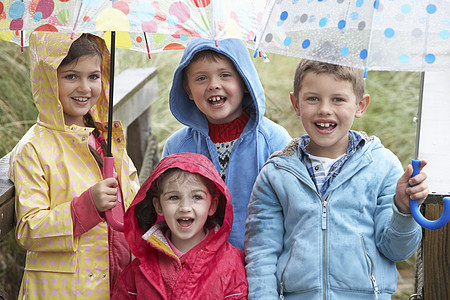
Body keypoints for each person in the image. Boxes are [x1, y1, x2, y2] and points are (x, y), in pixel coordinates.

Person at [244, 59, 429, 299]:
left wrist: (403, 210)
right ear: (295, 103)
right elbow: (261, 253)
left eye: (338, 99)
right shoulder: (277, 173)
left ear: (360, 105)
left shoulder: (382, 166)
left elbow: (397, 250)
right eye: (313, 98)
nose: (324, 109)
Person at [8, 31, 140, 298]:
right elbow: (29, 229)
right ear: (47, 79)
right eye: (71, 76)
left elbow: (133, 198)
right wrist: (87, 205)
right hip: (63, 291)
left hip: (115, 281)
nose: (85, 88)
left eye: (93, 76)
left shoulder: (106, 137)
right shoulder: (35, 148)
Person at [162, 37, 291, 250]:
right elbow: (165, 210)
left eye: (225, 75)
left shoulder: (274, 141)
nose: (214, 85)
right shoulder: (177, 147)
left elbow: (291, 211)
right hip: (197, 269)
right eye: (201, 78)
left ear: (245, 81)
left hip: (258, 265)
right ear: (187, 88)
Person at [112, 152, 247, 299]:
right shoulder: (137, 271)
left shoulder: (232, 265)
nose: (185, 207)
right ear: (158, 206)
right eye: (174, 197)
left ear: (212, 206)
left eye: (197, 197)